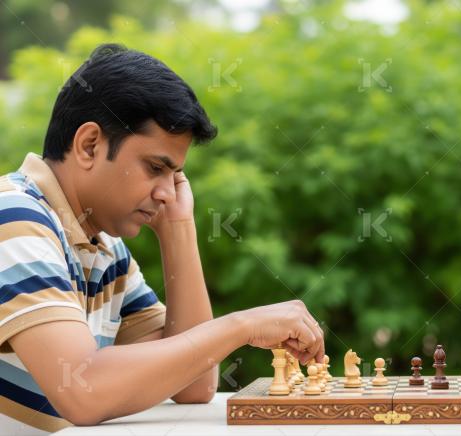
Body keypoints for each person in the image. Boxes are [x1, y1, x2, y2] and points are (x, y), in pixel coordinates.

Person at [0, 44, 325, 434]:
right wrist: (242, 326)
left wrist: (178, 229)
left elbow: (194, 384)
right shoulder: (15, 216)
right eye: (156, 167)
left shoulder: (104, 248)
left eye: (176, 176)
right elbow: (84, 390)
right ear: (89, 145)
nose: (168, 192)